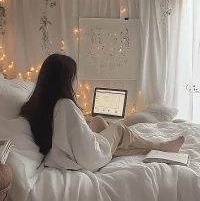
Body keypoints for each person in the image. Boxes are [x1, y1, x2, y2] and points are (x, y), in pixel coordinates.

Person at [20, 54, 185, 172]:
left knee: (98, 121)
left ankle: (139, 148)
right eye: (74, 77)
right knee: (119, 129)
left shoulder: (38, 103)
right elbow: (84, 148)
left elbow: (68, 132)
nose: (76, 82)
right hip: (87, 157)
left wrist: (86, 125)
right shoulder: (65, 105)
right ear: (65, 80)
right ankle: (160, 146)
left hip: (68, 150)